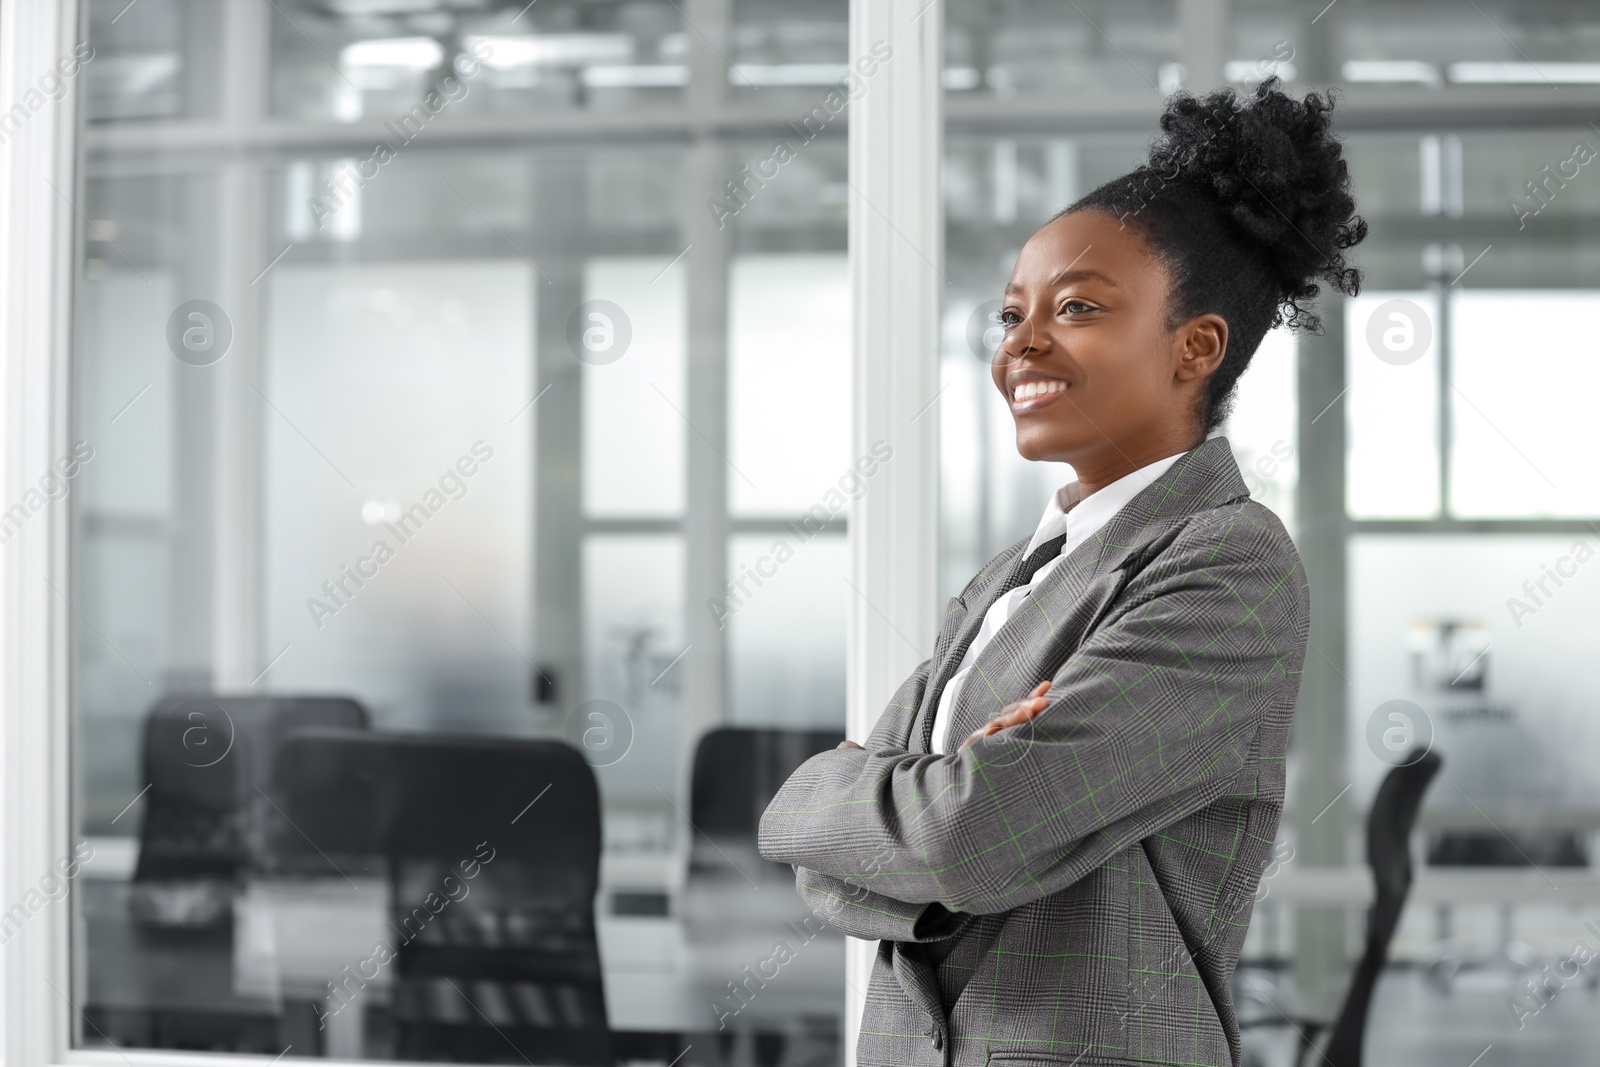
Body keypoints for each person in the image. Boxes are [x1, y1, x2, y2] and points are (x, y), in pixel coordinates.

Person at [758, 75, 1365, 1067]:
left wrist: (842, 789)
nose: (1020, 347)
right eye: (1009, 314)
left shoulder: (1224, 561)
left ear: (1193, 348)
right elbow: (834, 871)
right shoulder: (1011, 578)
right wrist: (911, 812)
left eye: (1076, 307)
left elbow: (965, 833)